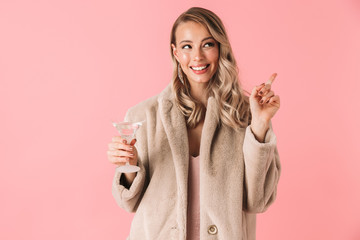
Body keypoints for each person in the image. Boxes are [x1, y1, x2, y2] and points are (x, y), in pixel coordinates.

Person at [107, 7, 281, 240]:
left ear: (220, 48)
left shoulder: (246, 113)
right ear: (176, 52)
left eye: (207, 44)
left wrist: (259, 125)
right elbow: (129, 203)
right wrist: (130, 165)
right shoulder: (143, 115)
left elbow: (257, 201)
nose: (197, 56)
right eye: (187, 46)